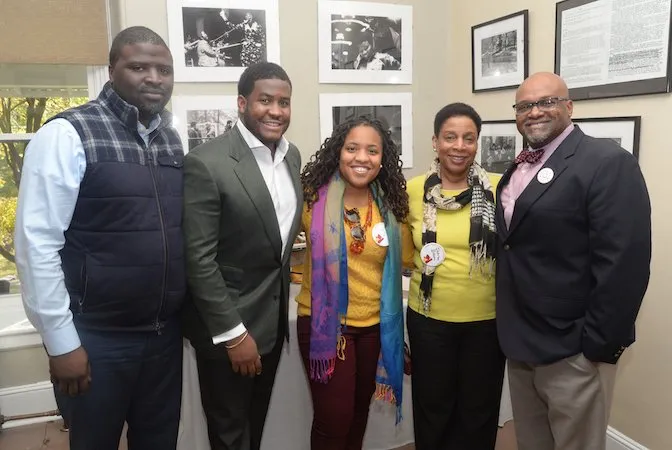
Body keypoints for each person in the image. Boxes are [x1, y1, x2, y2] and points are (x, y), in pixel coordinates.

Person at [14, 26, 185, 450]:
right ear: (112, 70)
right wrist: (61, 342)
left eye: (164, 69)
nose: (154, 78)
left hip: (163, 338)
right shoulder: (68, 133)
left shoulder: (170, 138)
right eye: (139, 66)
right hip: (97, 340)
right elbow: (37, 244)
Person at [496, 72, 651, 450]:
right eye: (524, 106)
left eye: (546, 101)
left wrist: (597, 347)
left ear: (569, 106)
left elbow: (624, 264)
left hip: (572, 349)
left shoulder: (607, 162)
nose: (534, 112)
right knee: (533, 442)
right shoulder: (516, 170)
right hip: (521, 342)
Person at [181, 62, 302, 450]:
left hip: (271, 326)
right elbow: (199, 260)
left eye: (283, 102)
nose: (276, 111)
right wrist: (234, 336)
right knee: (230, 435)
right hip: (229, 331)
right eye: (265, 100)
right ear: (241, 103)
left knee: (255, 426)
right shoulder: (207, 162)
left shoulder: (291, 156)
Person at [296, 116, 413, 450]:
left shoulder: (391, 206)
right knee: (334, 420)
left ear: (382, 158)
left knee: (358, 416)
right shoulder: (311, 200)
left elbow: (405, 259)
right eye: (352, 148)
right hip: (326, 327)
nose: (362, 157)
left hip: (374, 328)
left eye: (372, 150)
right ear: (338, 152)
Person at [405, 103, 505, 449]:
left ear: (477, 143)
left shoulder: (498, 189)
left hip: (487, 321)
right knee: (433, 409)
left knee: (479, 412)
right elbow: (405, 254)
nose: (459, 146)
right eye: (450, 137)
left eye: (468, 138)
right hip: (429, 319)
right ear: (435, 141)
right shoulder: (414, 190)